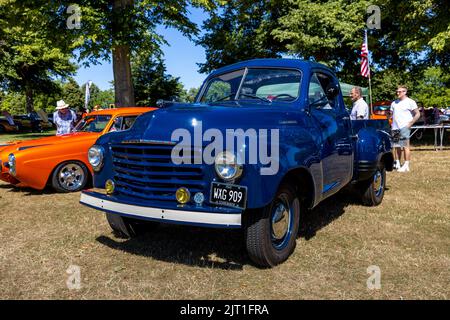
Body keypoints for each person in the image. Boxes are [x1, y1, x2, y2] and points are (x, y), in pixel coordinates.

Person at [389, 85, 420, 172]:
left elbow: (417, 114)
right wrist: (388, 115)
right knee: (397, 146)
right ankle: (397, 163)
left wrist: (410, 123)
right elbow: (391, 114)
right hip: (395, 127)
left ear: (405, 92)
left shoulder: (410, 102)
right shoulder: (394, 103)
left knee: (405, 146)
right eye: (397, 91)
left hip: (405, 127)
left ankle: (406, 165)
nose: (397, 93)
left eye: (399, 91)